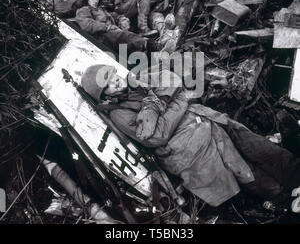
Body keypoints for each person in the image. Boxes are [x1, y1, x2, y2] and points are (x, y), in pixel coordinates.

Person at [80, 63, 300, 208]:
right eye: (106, 86)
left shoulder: (136, 79)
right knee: (246, 171)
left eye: (111, 76)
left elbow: (172, 79)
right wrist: (178, 101)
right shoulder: (119, 114)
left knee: (260, 147)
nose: (114, 82)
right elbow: (157, 137)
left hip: (207, 118)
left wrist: (160, 104)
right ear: (105, 97)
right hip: (189, 144)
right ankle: (286, 201)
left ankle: (296, 179)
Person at [75, 0, 151, 53]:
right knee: (123, 36)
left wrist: (121, 19)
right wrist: (107, 27)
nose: (95, 1)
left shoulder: (100, 9)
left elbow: (113, 15)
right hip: (100, 38)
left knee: (125, 37)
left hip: (112, 36)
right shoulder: (83, 10)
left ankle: (145, 47)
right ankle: (149, 44)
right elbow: (88, 25)